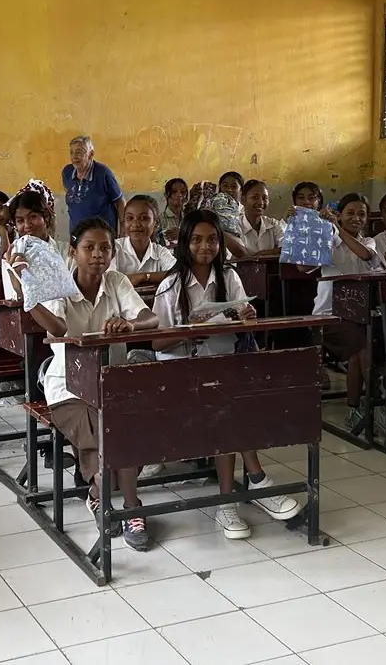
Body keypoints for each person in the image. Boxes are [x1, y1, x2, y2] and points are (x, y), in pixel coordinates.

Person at [152, 210, 302, 538]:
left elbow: (244, 325)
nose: (205, 246)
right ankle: (247, 486)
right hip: (183, 372)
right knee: (227, 409)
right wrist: (191, 329)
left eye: (212, 240)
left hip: (225, 365)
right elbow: (158, 340)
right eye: (196, 240)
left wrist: (246, 315)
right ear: (184, 244)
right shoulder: (171, 284)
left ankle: (239, 492)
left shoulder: (229, 278)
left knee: (235, 404)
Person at [27, 217, 159, 551]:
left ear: (113, 253)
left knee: (130, 425)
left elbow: (151, 319)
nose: (97, 255)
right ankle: (132, 509)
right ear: (73, 251)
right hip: (67, 389)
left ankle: (98, 494)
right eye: (89, 247)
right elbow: (56, 329)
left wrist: (129, 325)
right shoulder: (60, 285)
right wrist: (29, 297)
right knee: (116, 432)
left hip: (112, 384)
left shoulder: (115, 282)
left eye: (105, 248)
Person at [312, 193, 383, 431]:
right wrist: (322, 230)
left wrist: (336, 228)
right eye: (349, 213)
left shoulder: (369, 242)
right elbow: (303, 266)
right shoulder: (328, 241)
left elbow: (365, 255)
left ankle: (362, 406)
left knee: (363, 348)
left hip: (361, 316)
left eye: (361, 214)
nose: (356, 218)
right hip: (330, 315)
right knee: (361, 349)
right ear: (339, 215)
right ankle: (370, 405)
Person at [113, 194, 175, 288]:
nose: (136, 224)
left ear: (156, 223)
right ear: (123, 221)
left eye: (144, 218)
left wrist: (144, 277)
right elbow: (109, 279)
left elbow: (178, 273)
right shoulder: (113, 248)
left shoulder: (160, 252)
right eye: (130, 218)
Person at [63, 135, 123, 231]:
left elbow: (119, 201)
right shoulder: (67, 172)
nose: (74, 156)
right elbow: (69, 193)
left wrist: (124, 229)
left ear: (91, 154)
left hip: (102, 235)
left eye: (79, 152)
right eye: (71, 152)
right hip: (78, 235)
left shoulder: (103, 173)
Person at [236, 179, 284, 256]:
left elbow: (287, 248)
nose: (261, 202)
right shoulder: (235, 226)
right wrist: (273, 252)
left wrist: (261, 254)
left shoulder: (274, 224)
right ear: (243, 200)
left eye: (265, 198)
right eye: (255, 197)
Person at [159, 178, 188, 245]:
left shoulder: (189, 219)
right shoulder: (160, 220)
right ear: (166, 194)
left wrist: (182, 236)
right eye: (174, 192)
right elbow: (154, 247)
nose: (179, 195)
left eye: (183, 192)